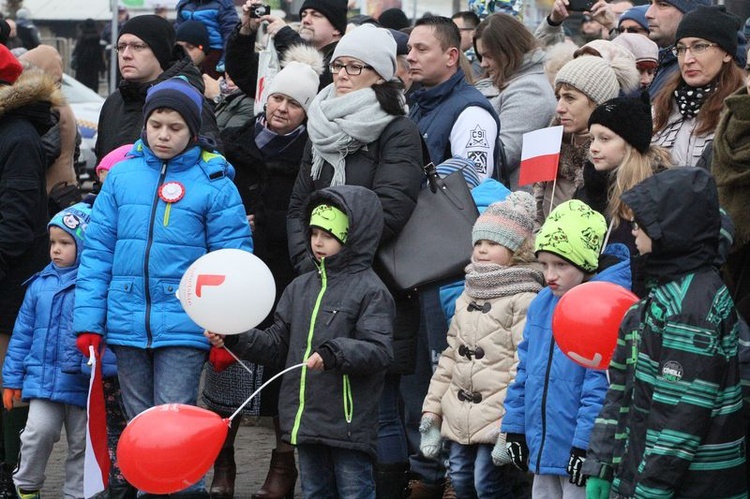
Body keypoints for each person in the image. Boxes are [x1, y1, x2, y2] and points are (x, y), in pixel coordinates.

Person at [73, 77, 253, 497]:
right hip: (126, 324)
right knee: (141, 429)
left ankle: (183, 492)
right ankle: (149, 489)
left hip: (185, 327)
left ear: (193, 130)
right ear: (145, 124)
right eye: (156, 125)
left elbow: (233, 265)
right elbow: (97, 253)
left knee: (174, 425)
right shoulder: (121, 178)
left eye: (175, 127)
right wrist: (89, 322)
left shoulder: (215, 184)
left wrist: (226, 332)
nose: (164, 135)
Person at [285, 24, 423, 497]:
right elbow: (299, 205)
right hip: (318, 284)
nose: (341, 74)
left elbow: (389, 209)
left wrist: (341, 264)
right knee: (322, 403)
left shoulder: (398, 129)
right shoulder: (320, 121)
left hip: (374, 286)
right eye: (338, 64)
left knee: (373, 407)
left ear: (380, 75)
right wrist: (311, 264)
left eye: (355, 67)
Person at [207, 185, 396, 499]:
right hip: (304, 422)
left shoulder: (371, 290)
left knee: (354, 491)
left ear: (353, 236)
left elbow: (379, 351)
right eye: (313, 233)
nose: (318, 242)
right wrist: (234, 337)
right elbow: (275, 345)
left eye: (329, 235)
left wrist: (335, 352)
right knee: (314, 491)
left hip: (347, 423)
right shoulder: (299, 287)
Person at [202, 45, 323, 499]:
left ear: (307, 112)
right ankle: (223, 462)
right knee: (225, 368)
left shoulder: (313, 156)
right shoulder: (237, 146)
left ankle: (281, 467)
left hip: (288, 273)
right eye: (277, 98)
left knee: (284, 374)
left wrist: (269, 223)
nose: (281, 109)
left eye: (293, 104)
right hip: (236, 273)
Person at [584, 167, 748, 498]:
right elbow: (622, 391)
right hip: (644, 475)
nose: (632, 229)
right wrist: (601, 463)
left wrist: (646, 492)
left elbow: (679, 420)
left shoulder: (691, 310)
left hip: (693, 486)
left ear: (672, 230)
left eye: (643, 220)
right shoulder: (658, 297)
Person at [501, 199, 631, 499]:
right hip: (544, 444)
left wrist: (586, 445)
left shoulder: (604, 308)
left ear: (586, 263)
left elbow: (601, 386)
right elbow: (525, 371)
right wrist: (515, 426)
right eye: (544, 264)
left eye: (561, 264)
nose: (550, 275)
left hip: (579, 449)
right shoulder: (541, 304)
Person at [419, 192, 542, 498]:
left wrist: (510, 426)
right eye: (478, 243)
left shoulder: (524, 296)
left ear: (516, 249)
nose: (483, 250)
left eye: (493, 243)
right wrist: (431, 412)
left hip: (498, 415)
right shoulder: (468, 293)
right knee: (460, 479)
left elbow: (523, 363)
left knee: (487, 484)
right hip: (460, 413)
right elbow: (449, 357)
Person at [2, 203, 92, 499]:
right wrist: (12, 380)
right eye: (52, 243)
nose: (56, 249)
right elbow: (21, 336)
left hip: (82, 384)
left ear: (84, 244)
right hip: (43, 382)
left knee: (82, 443)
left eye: (65, 243)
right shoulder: (38, 286)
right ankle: (27, 484)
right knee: (36, 433)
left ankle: (77, 493)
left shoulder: (93, 286)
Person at [0, 45, 55, 499]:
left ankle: (11, 473)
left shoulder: (17, 135)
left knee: (7, 379)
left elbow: (14, 222)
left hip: (8, 278)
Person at [576, 94, 671, 296]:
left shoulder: (658, 193)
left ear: (631, 143)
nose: (593, 147)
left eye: (605, 139)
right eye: (592, 138)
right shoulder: (589, 187)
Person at [94, 14, 221, 164]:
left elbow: (211, 169)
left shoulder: (188, 100)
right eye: (121, 47)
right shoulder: (114, 102)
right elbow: (101, 166)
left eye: (137, 46)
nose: (126, 55)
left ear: (160, 51)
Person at [535, 53, 638, 226]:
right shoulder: (548, 143)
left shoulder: (614, 159)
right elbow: (535, 209)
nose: (559, 108)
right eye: (558, 97)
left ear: (598, 102)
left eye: (570, 98)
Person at [651, 5, 745, 167]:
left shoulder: (741, 110)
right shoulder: (660, 108)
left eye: (699, 47)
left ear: (727, 53)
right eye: (680, 49)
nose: (687, 59)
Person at [407, 15, 499, 180]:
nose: (410, 57)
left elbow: (470, 189)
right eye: (410, 49)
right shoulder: (420, 104)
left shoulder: (472, 113)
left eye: (421, 49)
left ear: (451, 56)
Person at [473, 13, 557, 189]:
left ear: (509, 50)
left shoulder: (531, 90)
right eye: (481, 57)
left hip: (508, 201)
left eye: (489, 56)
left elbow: (501, 156)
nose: (483, 64)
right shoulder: (508, 78)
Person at [226, 0, 348, 97]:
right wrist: (245, 31)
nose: (305, 20)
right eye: (304, 14)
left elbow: (324, 85)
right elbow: (244, 74)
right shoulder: (288, 54)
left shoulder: (347, 59)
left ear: (336, 29)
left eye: (316, 15)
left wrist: (285, 35)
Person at [645, 0, 710, 98]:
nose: (648, 14)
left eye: (662, 5)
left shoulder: (699, 70)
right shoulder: (665, 60)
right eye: (650, 3)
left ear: (691, 13)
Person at [175, 0, 239, 78]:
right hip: (188, 48)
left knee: (210, 76)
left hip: (215, 49)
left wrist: (225, 58)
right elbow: (177, 29)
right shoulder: (185, 4)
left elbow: (230, 32)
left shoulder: (222, 4)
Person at [72, 19, 106, 92]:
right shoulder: (97, 40)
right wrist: (102, 69)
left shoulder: (81, 39)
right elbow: (100, 56)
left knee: (82, 89)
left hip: (82, 69)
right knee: (93, 89)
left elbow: (76, 53)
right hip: (93, 69)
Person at [451, 11, 481, 77]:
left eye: (457, 31)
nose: (451, 36)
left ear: (473, 34)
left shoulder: (480, 59)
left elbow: (469, 81)